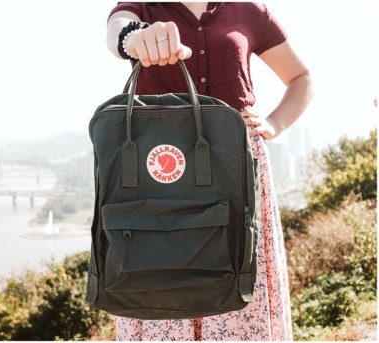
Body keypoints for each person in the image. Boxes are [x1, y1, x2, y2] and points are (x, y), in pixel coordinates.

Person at [105, 2, 312, 340]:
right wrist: (135, 36)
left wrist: (273, 124)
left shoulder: (249, 9)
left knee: (239, 285)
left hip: (238, 171)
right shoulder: (143, 5)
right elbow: (117, 30)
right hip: (162, 172)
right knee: (162, 284)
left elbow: (301, 78)